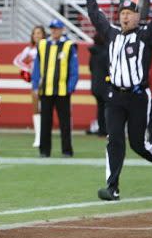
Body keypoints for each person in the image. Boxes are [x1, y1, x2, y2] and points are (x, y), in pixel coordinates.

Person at [84, 0, 152, 201]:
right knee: (114, 140)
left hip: (137, 96)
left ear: (137, 16)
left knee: (138, 144)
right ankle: (112, 188)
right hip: (114, 95)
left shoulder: (145, 36)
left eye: (129, 13)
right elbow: (94, 12)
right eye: (122, 13)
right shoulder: (111, 34)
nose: (124, 17)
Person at [31, 19, 78, 158]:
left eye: (56, 28)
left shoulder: (69, 46)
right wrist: (35, 85)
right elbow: (37, 68)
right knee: (45, 122)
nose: (54, 31)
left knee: (65, 123)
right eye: (52, 28)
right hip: (45, 90)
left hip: (63, 91)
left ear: (62, 29)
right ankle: (44, 151)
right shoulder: (43, 45)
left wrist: (70, 88)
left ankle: (67, 150)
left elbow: (74, 69)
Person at [13, 25, 46, 147]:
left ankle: (44, 136)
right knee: (36, 108)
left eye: (39, 33)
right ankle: (38, 137)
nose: (37, 35)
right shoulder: (29, 49)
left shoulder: (48, 47)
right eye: (35, 33)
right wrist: (28, 69)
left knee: (45, 109)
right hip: (36, 82)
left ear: (43, 35)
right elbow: (16, 61)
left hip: (47, 81)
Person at [88, 31, 109, 137]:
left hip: (95, 84)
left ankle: (102, 130)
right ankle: (107, 129)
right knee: (107, 108)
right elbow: (109, 68)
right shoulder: (106, 52)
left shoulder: (93, 53)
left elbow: (91, 68)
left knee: (100, 108)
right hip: (106, 85)